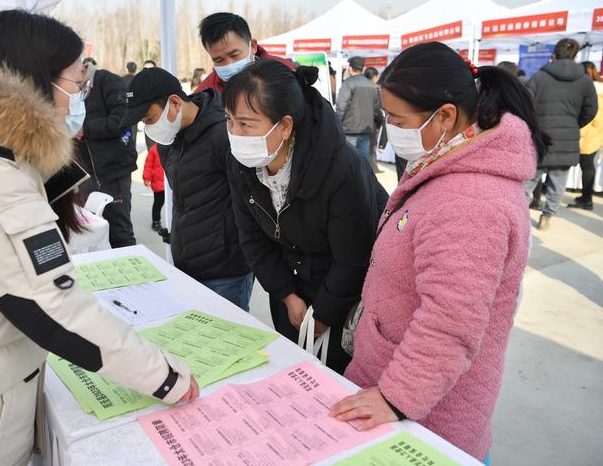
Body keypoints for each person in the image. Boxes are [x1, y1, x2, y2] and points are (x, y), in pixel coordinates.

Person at [0, 10, 197, 466]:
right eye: (74, 83)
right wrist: (165, 376)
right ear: (35, 78)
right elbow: (49, 303)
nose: (75, 101)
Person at [329, 42, 551, 466]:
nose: (389, 129)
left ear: (445, 115)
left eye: (396, 119)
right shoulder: (447, 159)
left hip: (429, 416)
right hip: (397, 377)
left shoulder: (470, 202)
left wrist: (397, 398)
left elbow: (450, 321)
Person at [223, 60, 387, 374]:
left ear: (284, 126)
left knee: (335, 379)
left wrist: (324, 313)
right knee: (293, 371)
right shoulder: (241, 163)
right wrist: (286, 294)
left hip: (345, 293)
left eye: (245, 124)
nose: (234, 134)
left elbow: (354, 258)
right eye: (229, 120)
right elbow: (253, 238)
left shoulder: (341, 169)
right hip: (290, 287)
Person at [121, 67, 254, 311]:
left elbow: (250, 203)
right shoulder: (168, 141)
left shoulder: (223, 135)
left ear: (174, 103)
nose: (148, 127)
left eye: (149, 118)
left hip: (226, 272)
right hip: (187, 264)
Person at [524, 38, 598, 230]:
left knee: (528, 181)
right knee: (558, 183)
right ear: (576, 56)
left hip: (540, 139)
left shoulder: (539, 77)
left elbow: (524, 105)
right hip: (567, 142)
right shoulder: (585, 81)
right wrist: (573, 125)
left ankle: (520, 215)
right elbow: (591, 110)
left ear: (554, 54)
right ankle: (547, 217)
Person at [76, 57, 138, 247]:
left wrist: (84, 129)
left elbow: (122, 119)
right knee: (90, 232)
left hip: (112, 171)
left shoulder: (108, 81)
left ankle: (132, 272)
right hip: (83, 174)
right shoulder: (64, 89)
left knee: (119, 231)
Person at [195, 12, 294, 93]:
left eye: (234, 55)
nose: (229, 64)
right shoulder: (206, 95)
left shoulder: (287, 72)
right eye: (219, 60)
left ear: (253, 47)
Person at [336, 57, 384, 172]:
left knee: (347, 164)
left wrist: (337, 124)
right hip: (366, 130)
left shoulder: (348, 83)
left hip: (349, 129)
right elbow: (377, 108)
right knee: (364, 165)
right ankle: (365, 188)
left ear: (351, 69)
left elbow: (341, 106)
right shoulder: (371, 85)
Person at [571, 61, 603, 210]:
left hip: (586, 133)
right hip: (597, 135)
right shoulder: (601, 87)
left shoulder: (588, 89)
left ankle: (587, 199)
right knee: (589, 166)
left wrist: (579, 132)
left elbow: (589, 115)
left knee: (587, 166)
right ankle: (586, 196)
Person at [143, 143, 166, 230]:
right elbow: (148, 166)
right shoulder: (153, 149)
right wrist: (146, 178)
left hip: (168, 182)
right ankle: (156, 221)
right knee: (158, 202)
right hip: (158, 182)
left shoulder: (171, 147)